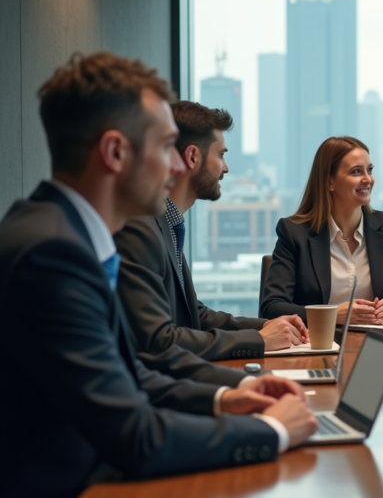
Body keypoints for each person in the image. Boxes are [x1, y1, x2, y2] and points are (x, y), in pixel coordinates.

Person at [0, 52, 317, 497]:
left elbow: (129, 372)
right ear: (115, 152)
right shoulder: (52, 254)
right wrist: (272, 432)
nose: (175, 167)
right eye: (165, 146)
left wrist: (229, 396)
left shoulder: (65, 233)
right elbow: (136, 436)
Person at [115, 100, 307, 361]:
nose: (226, 167)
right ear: (193, 157)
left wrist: (266, 327)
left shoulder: (167, 223)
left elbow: (195, 315)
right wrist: (259, 340)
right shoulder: (142, 227)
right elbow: (159, 341)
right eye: (221, 155)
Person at [260, 136, 383, 325]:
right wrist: (331, 314)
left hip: (376, 347)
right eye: (356, 171)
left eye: (370, 170)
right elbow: (271, 307)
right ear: (329, 182)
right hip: (317, 347)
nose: (368, 179)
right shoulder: (294, 232)